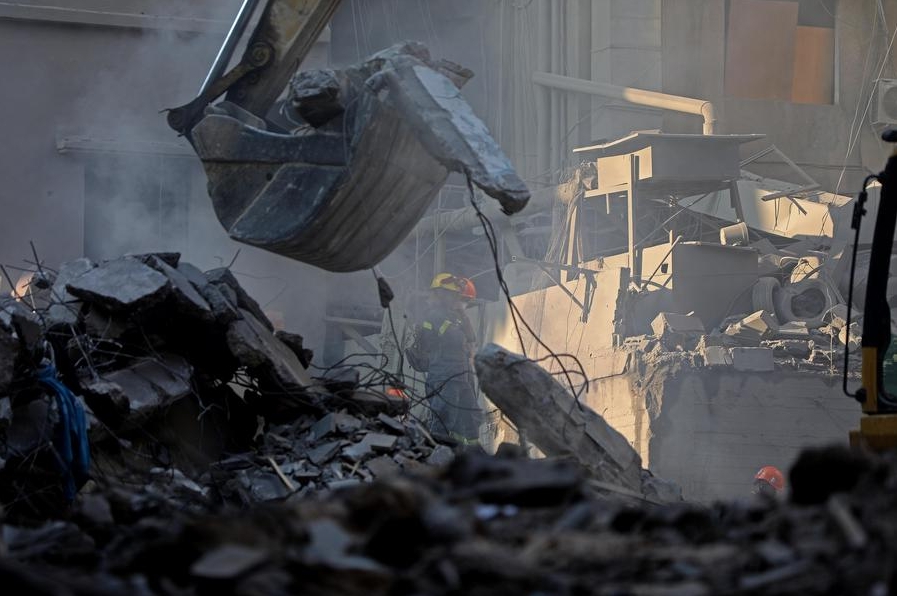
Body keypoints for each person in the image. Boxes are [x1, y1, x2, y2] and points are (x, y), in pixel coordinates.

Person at [412, 273, 482, 444]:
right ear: (441, 294)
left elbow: (471, 339)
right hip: (443, 376)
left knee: (470, 416)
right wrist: (461, 324)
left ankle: (471, 451)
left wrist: (463, 318)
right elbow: (455, 338)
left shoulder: (454, 316)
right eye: (454, 295)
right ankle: (438, 454)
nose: (457, 299)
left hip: (460, 376)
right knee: (444, 417)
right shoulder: (434, 315)